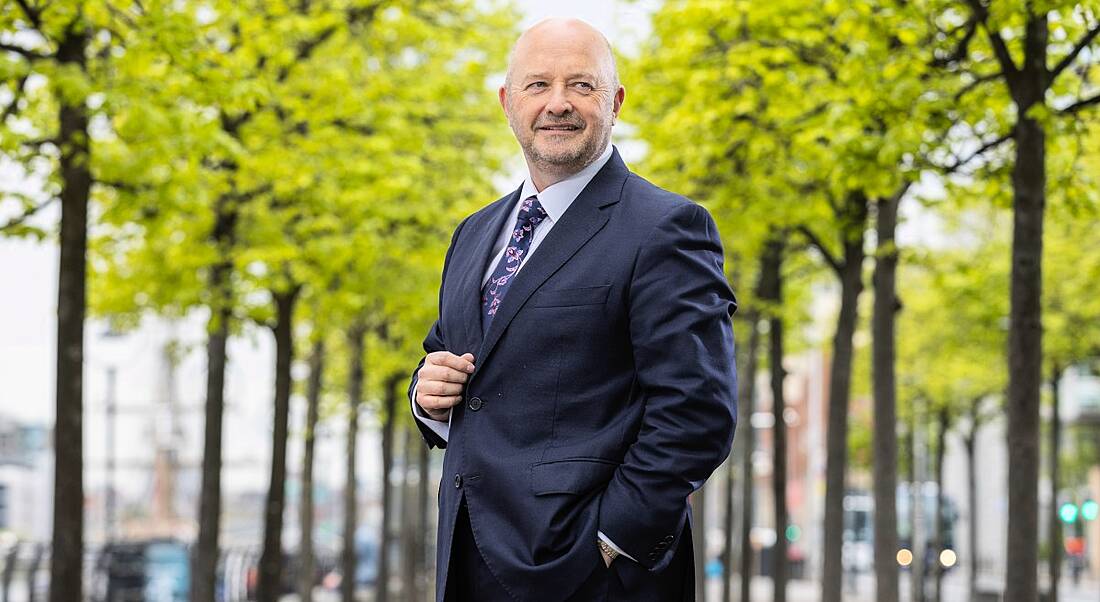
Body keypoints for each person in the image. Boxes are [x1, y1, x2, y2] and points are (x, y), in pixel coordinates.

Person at [408, 17, 738, 601]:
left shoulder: (667, 228)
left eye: (581, 86)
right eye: (538, 86)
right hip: (468, 559)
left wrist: (611, 542)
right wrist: (425, 395)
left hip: (592, 574)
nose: (557, 104)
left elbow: (698, 412)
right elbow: (450, 357)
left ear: (616, 102)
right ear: (508, 103)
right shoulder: (474, 232)